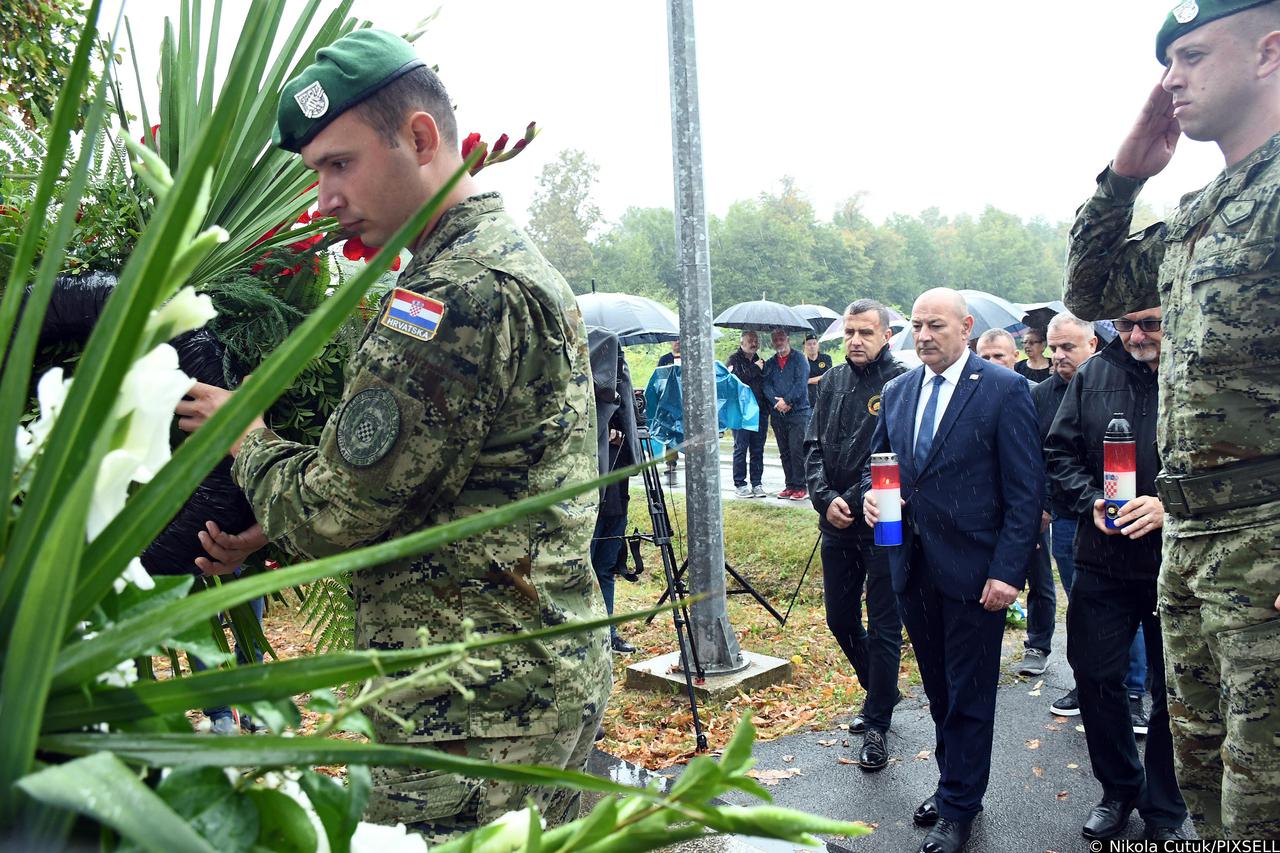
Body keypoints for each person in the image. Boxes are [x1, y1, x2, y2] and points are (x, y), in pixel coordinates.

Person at [176, 29, 610, 841]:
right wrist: (275, 517)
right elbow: (443, 477)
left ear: (419, 138)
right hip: (520, 685)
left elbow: (342, 509)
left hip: (469, 714)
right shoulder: (485, 264)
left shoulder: (454, 295)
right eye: (315, 173)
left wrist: (247, 435)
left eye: (339, 164)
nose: (322, 200)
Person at [1064, 4, 1280, 838]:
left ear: (1268, 54)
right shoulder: (1200, 210)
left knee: (1267, 800)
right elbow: (1091, 293)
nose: (1171, 80)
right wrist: (1124, 177)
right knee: (1208, 786)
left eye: (1191, 54)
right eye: (1166, 62)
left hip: (1266, 532)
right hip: (1191, 545)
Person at [862, 288, 1042, 853]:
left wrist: (1009, 572)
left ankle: (960, 806)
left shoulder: (1004, 390)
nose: (922, 336)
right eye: (915, 326)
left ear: (965, 327)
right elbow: (883, 466)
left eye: (935, 325)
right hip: (912, 567)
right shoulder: (898, 390)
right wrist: (870, 497)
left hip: (977, 573)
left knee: (970, 693)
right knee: (939, 688)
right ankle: (952, 784)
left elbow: (1024, 490)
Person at [1044, 307, 1188, 842]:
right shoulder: (1094, 373)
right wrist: (1092, 503)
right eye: (1126, 325)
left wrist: (1170, 506)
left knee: (1171, 688)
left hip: (1180, 563)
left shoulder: (1197, 369)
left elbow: (1228, 466)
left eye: (1149, 324)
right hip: (1103, 559)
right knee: (1096, 675)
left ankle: (1165, 806)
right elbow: (1058, 453)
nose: (1136, 336)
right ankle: (1119, 786)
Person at [804, 299, 908, 772]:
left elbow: (896, 452)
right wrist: (826, 498)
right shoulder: (831, 382)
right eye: (849, 332)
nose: (856, 341)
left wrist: (856, 494)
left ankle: (877, 722)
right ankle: (882, 690)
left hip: (881, 519)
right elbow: (811, 446)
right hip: (837, 520)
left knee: (885, 623)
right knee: (839, 617)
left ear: (886, 335)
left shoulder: (902, 383)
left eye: (866, 332)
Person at [977, 328, 1055, 678]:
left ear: (1015, 358)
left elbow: (1050, 457)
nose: (993, 362)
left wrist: (1045, 506)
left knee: (1039, 578)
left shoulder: (1031, 393)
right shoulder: (971, 395)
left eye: (999, 356)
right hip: (988, 507)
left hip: (1029, 506)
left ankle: (1038, 644)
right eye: (986, 357)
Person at [587, 327, 638, 655]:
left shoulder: (622, 393)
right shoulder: (582, 393)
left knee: (605, 568)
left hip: (617, 496)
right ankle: (586, 638)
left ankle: (608, 634)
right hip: (590, 499)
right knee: (585, 570)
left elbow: (631, 426)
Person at [763, 328, 811, 501]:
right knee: (784, 451)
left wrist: (788, 401)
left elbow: (801, 383)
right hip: (778, 414)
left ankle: (801, 486)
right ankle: (790, 485)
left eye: (781, 338)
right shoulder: (770, 363)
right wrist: (777, 403)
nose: (779, 342)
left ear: (788, 339)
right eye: (775, 339)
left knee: (797, 449)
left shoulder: (799, 359)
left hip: (798, 412)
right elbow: (766, 385)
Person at [726, 330, 769, 498]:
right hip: (740, 412)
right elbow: (734, 381)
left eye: (756, 340)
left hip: (759, 411)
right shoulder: (733, 360)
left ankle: (757, 483)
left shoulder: (760, 361)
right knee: (740, 448)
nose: (754, 343)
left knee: (758, 449)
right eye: (750, 340)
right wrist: (754, 369)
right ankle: (740, 484)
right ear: (742, 342)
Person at [803, 331, 832, 409]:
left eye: (814, 343)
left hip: (824, 398)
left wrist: (808, 381)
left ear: (818, 345)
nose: (812, 346)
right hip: (808, 401)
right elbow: (799, 381)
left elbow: (828, 377)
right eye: (809, 344)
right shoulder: (801, 361)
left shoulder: (826, 358)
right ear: (804, 346)